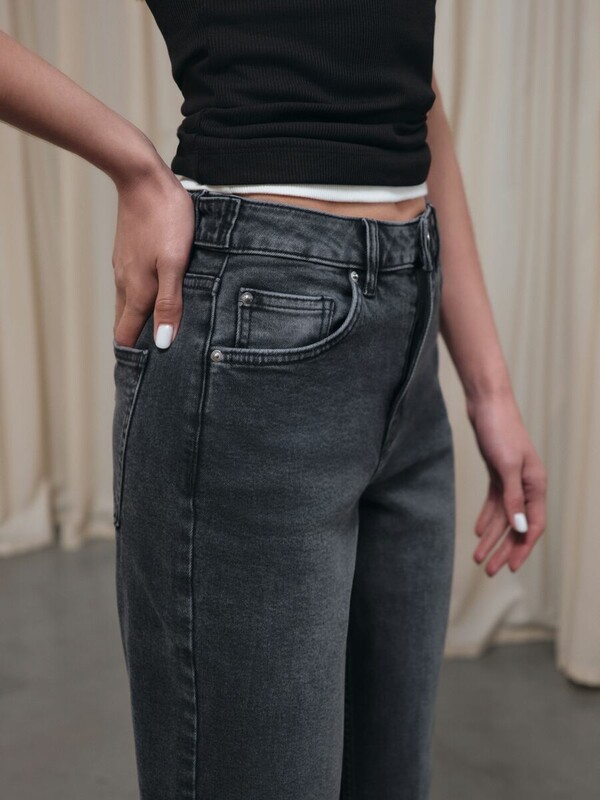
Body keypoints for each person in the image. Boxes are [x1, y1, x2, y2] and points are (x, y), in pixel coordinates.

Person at [0, 2, 547, 797]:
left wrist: (490, 391)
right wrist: (134, 166)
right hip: (257, 334)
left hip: (409, 331)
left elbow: (408, 85)